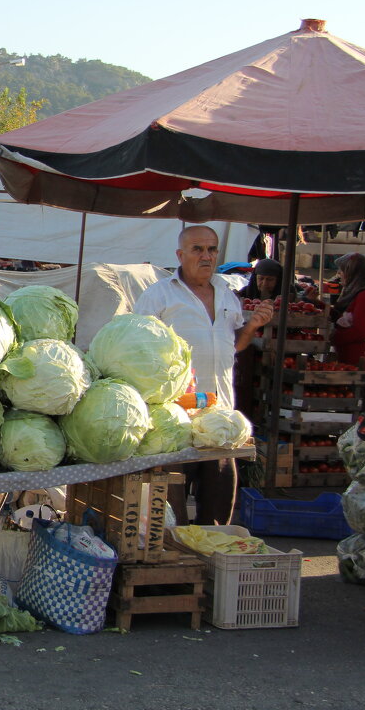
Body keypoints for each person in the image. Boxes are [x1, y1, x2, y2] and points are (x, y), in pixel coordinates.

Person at [135, 225, 274, 525]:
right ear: (180, 255)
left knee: (218, 505)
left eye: (212, 249)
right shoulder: (159, 296)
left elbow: (232, 346)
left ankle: (211, 559)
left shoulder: (226, 294)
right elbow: (139, 350)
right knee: (171, 512)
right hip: (176, 419)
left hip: (219, 417)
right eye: (197, 249)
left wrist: (251, 328)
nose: (206, 256)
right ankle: (176, 559)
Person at [329, 253, 365, 372]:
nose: (339, 274)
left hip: (362, 364)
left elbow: (361, 331)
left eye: (342, 271)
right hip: (352, 362)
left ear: (352, 272)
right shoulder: (356, 293)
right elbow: (344, 319)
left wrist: (332, 338)